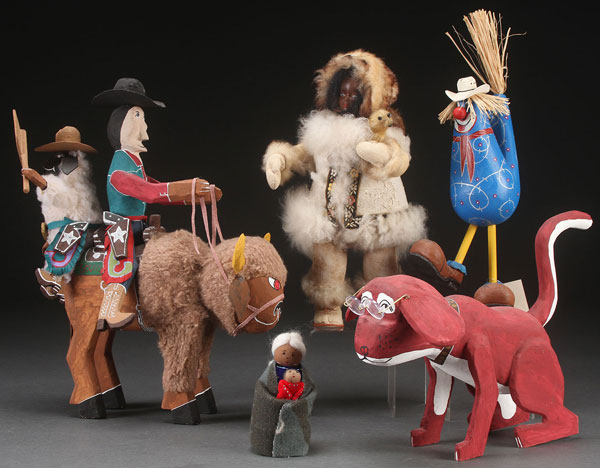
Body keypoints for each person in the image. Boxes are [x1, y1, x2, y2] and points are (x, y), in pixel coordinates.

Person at [262, 50, 427, 329]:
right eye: (342, 92)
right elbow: (304, 153)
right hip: (329, 209)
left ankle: (382, 310)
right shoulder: (322, 128)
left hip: (375, 211)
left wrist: (382, 155)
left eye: (354, 94)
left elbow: (399, 158)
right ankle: (328, 305)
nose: (347, 99)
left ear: (370, 96)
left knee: (381, 265)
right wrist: (280, 159)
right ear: (331, 92)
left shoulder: (382, 126)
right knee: (327, 262)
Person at [92, 78, 221, 330]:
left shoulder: (133, 163)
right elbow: (149, 193)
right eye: (137, 117)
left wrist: (194, 196)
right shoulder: (119, 169)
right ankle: (108, 311)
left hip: (140, 226)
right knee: (124, 262)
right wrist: (187, 187)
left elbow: (156, 186)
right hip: (122, 228)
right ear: (124, 126)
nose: (144, 126)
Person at [22, 126, 103, 302]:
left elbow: (69, 199)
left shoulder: (75, 171)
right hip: (64, 225)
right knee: (64, 237)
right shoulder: (59, 167)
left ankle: (54, 276)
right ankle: (57, 284)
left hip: (81, 225)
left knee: (70, 236)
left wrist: (40, 181)